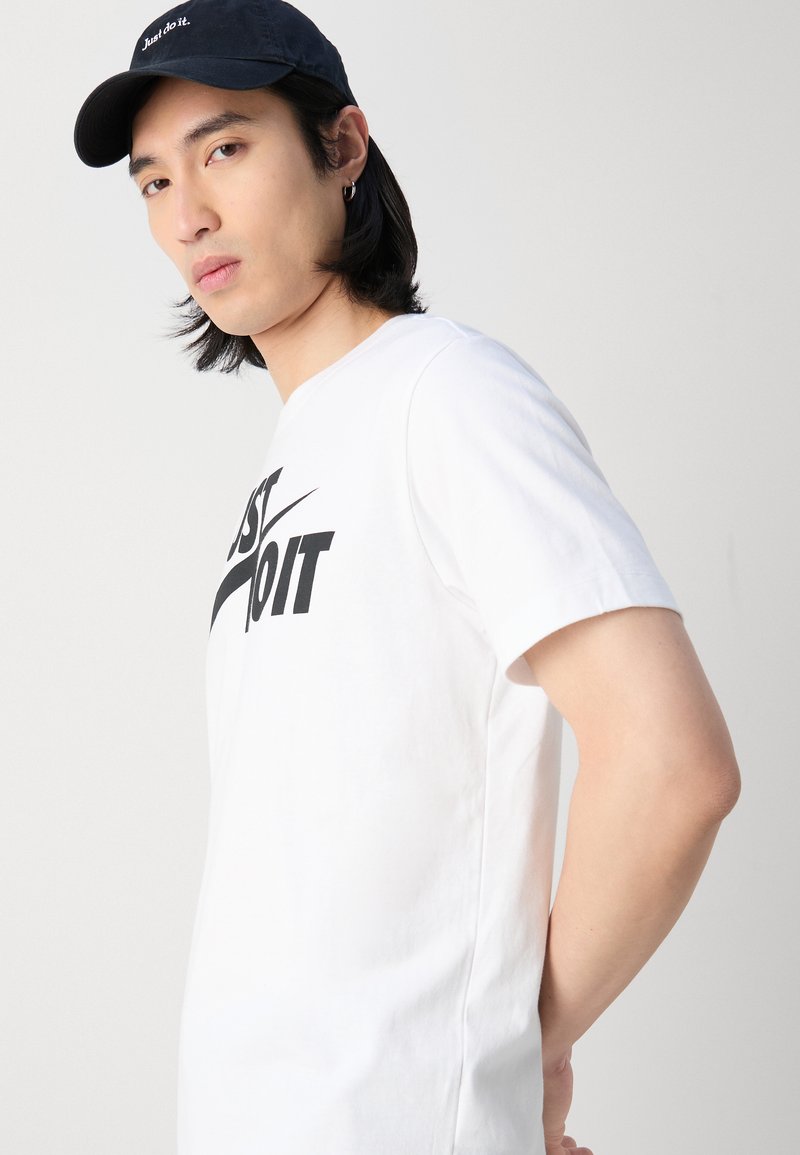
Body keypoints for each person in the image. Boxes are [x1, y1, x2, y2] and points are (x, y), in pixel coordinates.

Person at [73, 2, 741, 1153]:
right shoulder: (300, 453)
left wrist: (522, 1051)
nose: (187, 217)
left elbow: (671, 764)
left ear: (341, 147)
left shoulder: (447, 394)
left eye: (224, 149)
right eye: (153, 181)